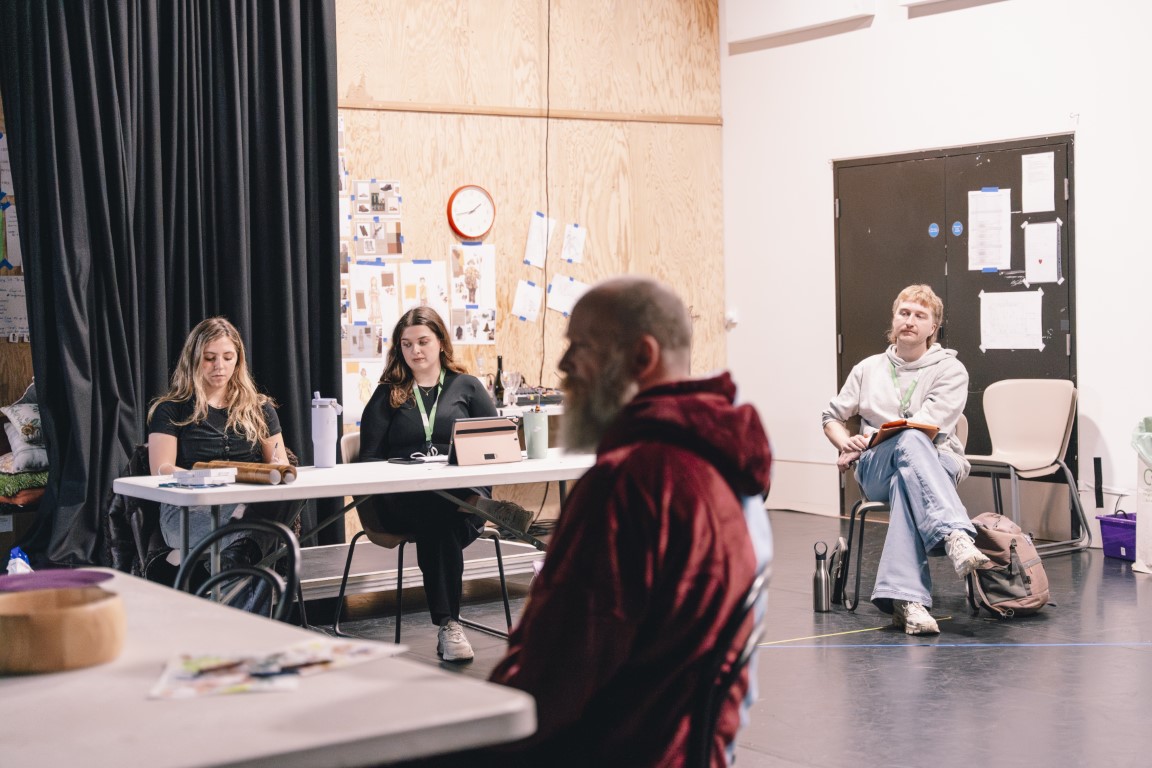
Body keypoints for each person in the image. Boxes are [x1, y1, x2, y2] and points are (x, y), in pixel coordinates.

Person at [484, 277, 773, 767]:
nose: (562, 366)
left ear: (642, 357)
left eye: (580, 346)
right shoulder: (728, 471)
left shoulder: (630, 483)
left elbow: (549, 681)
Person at [357, 306, 533, 662]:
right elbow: (368, 461)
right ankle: (450, 624)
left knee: (439, 517)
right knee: (436, 510)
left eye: (423, 341)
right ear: (398, 349)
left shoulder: (466, 387)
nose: (415, 351)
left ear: (440, 342)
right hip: (401, 503)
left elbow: (496, 446)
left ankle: (449, 624)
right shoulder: (387, 394)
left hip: (454, 504)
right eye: (406, 344)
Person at [821, 284, 989, 635]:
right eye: (904, 313)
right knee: (904, 455)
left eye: (920, 316)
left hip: (938, 459)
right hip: (876, 464)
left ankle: (907, 602)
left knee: (908, 469)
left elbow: (927, 427)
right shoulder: (867, 368)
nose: (910, 321)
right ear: (894, 320)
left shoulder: (951, 370)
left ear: (933, 328)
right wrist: (845, 445)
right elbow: (831, 417)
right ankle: (955, 534)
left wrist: (863, 439)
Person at [147, 317, 300, 581]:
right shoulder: (170, 409)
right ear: (194, 359)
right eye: (210, 358)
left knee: (291, 497)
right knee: (260, 531)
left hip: (247, 508)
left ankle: (220, 562)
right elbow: (161, 471)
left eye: (228, 358)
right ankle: (235, 560)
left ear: (238, 361)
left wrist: (270, 474)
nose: (220, 366)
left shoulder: (260, 409)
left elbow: (280, 466)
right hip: (188, 513)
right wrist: (208, 478)